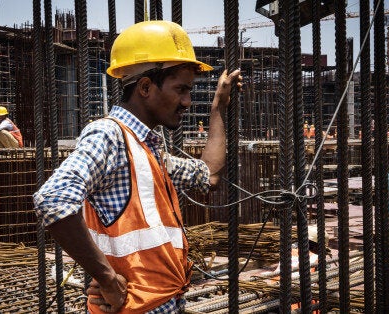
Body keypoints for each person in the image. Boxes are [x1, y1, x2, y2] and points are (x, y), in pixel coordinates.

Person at [33, 20, 241, 313]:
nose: (187, 101)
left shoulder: (145, 149)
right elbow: (52, 199)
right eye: (181, 89)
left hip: (161, 302)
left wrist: (219, 105)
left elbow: (209, 176)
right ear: (145, 87)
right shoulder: (109, 135)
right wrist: (107, 279)